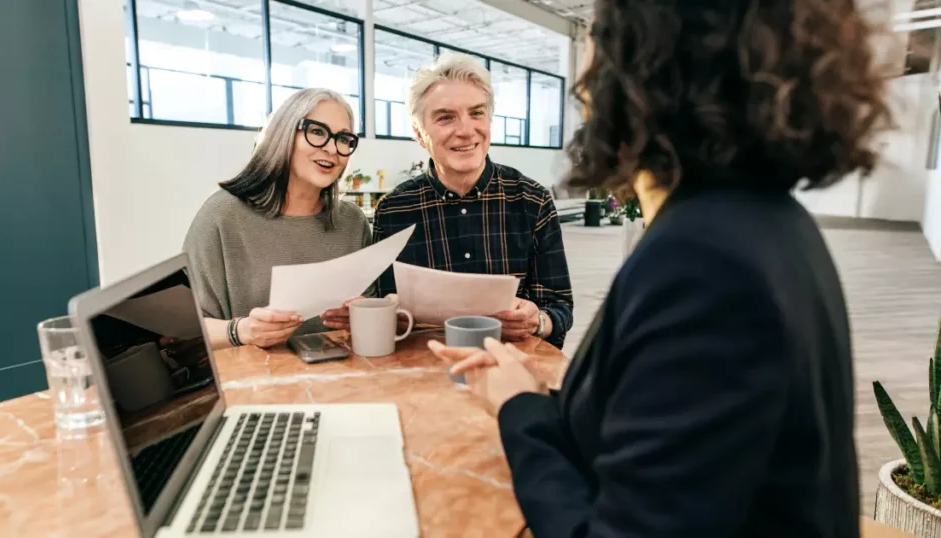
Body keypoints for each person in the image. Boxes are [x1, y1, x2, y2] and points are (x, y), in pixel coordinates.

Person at [429, 0, 893, 536]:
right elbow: (652, 428)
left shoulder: (704, 264)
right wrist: (531, 401)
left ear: (643, 69)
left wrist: (517, 412)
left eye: (597, 43)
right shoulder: (763, 221)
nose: (583, 80)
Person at [370, 52, 574, 348]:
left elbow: (559, 307)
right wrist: (390, 314)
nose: (466, 131)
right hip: (425, 373)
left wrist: (538, 321)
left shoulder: (532, 200)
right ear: (418, 132)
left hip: (513, 371)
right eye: (446, 117)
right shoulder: (394, 210)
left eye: (476, 113)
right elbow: (385, 309)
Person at [183, 88, 370, 351]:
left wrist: (361, 317)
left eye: (343, 138)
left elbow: (370, 306)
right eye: (317, 131)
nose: (332, 148)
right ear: (283, 134)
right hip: (254, 384)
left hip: (343, 381)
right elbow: (182, 333)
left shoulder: (352, 222)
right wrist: (242, 330)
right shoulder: (222, 215)